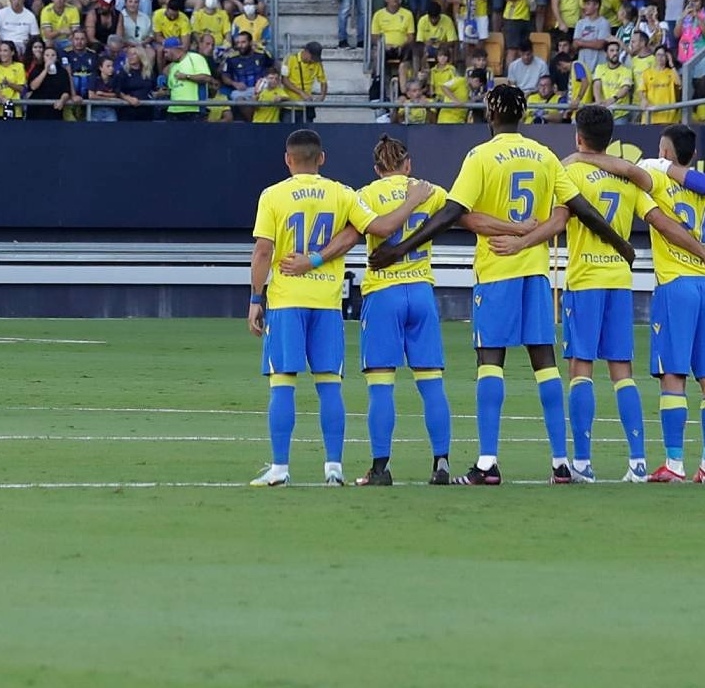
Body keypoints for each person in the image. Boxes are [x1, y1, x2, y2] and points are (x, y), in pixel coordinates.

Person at [369, 82, 633, 485]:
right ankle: (561, 463)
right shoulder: (545, 156)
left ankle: (488, 463)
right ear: (523, 114)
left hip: (497, 270)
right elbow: (583, 209)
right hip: (535, 273)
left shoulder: (481, 156)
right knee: (544, 362)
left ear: (490, 115)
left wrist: (398, 249)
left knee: (490, 362)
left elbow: (451, 213)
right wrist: (621, 244)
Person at [500, 104, 705, 483]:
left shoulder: (571, 171)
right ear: (611, 139)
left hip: (586, 279)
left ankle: (582, 464)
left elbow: (559, 220)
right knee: (622, 374)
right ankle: (639, 463)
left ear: (579, 137)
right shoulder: (630, 179)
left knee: (581, 370)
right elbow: (659, 220)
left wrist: (522, 241)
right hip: (619, 281)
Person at [280, 133, 454, 484]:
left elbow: (348, 237)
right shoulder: (430, 191)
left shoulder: (365, 195)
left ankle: (380, 468)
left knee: (381, 385)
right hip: (421, 290)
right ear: (408, 164)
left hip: (383, 295)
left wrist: (313, 260)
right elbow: (463, 216)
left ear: (377, 169)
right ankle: (441, 463)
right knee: (431, 381)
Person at [246, 126, 356, 487]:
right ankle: (334, 468)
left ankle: (280, 468)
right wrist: (319, 260)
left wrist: (255, 297)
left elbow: (264, 250)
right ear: (321, 158)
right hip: (326, 300)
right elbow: (358, 231)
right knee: (329, 384)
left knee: (282, 382)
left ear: (287, 160)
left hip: (287, 300)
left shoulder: (273, 195)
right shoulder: (341, 193)